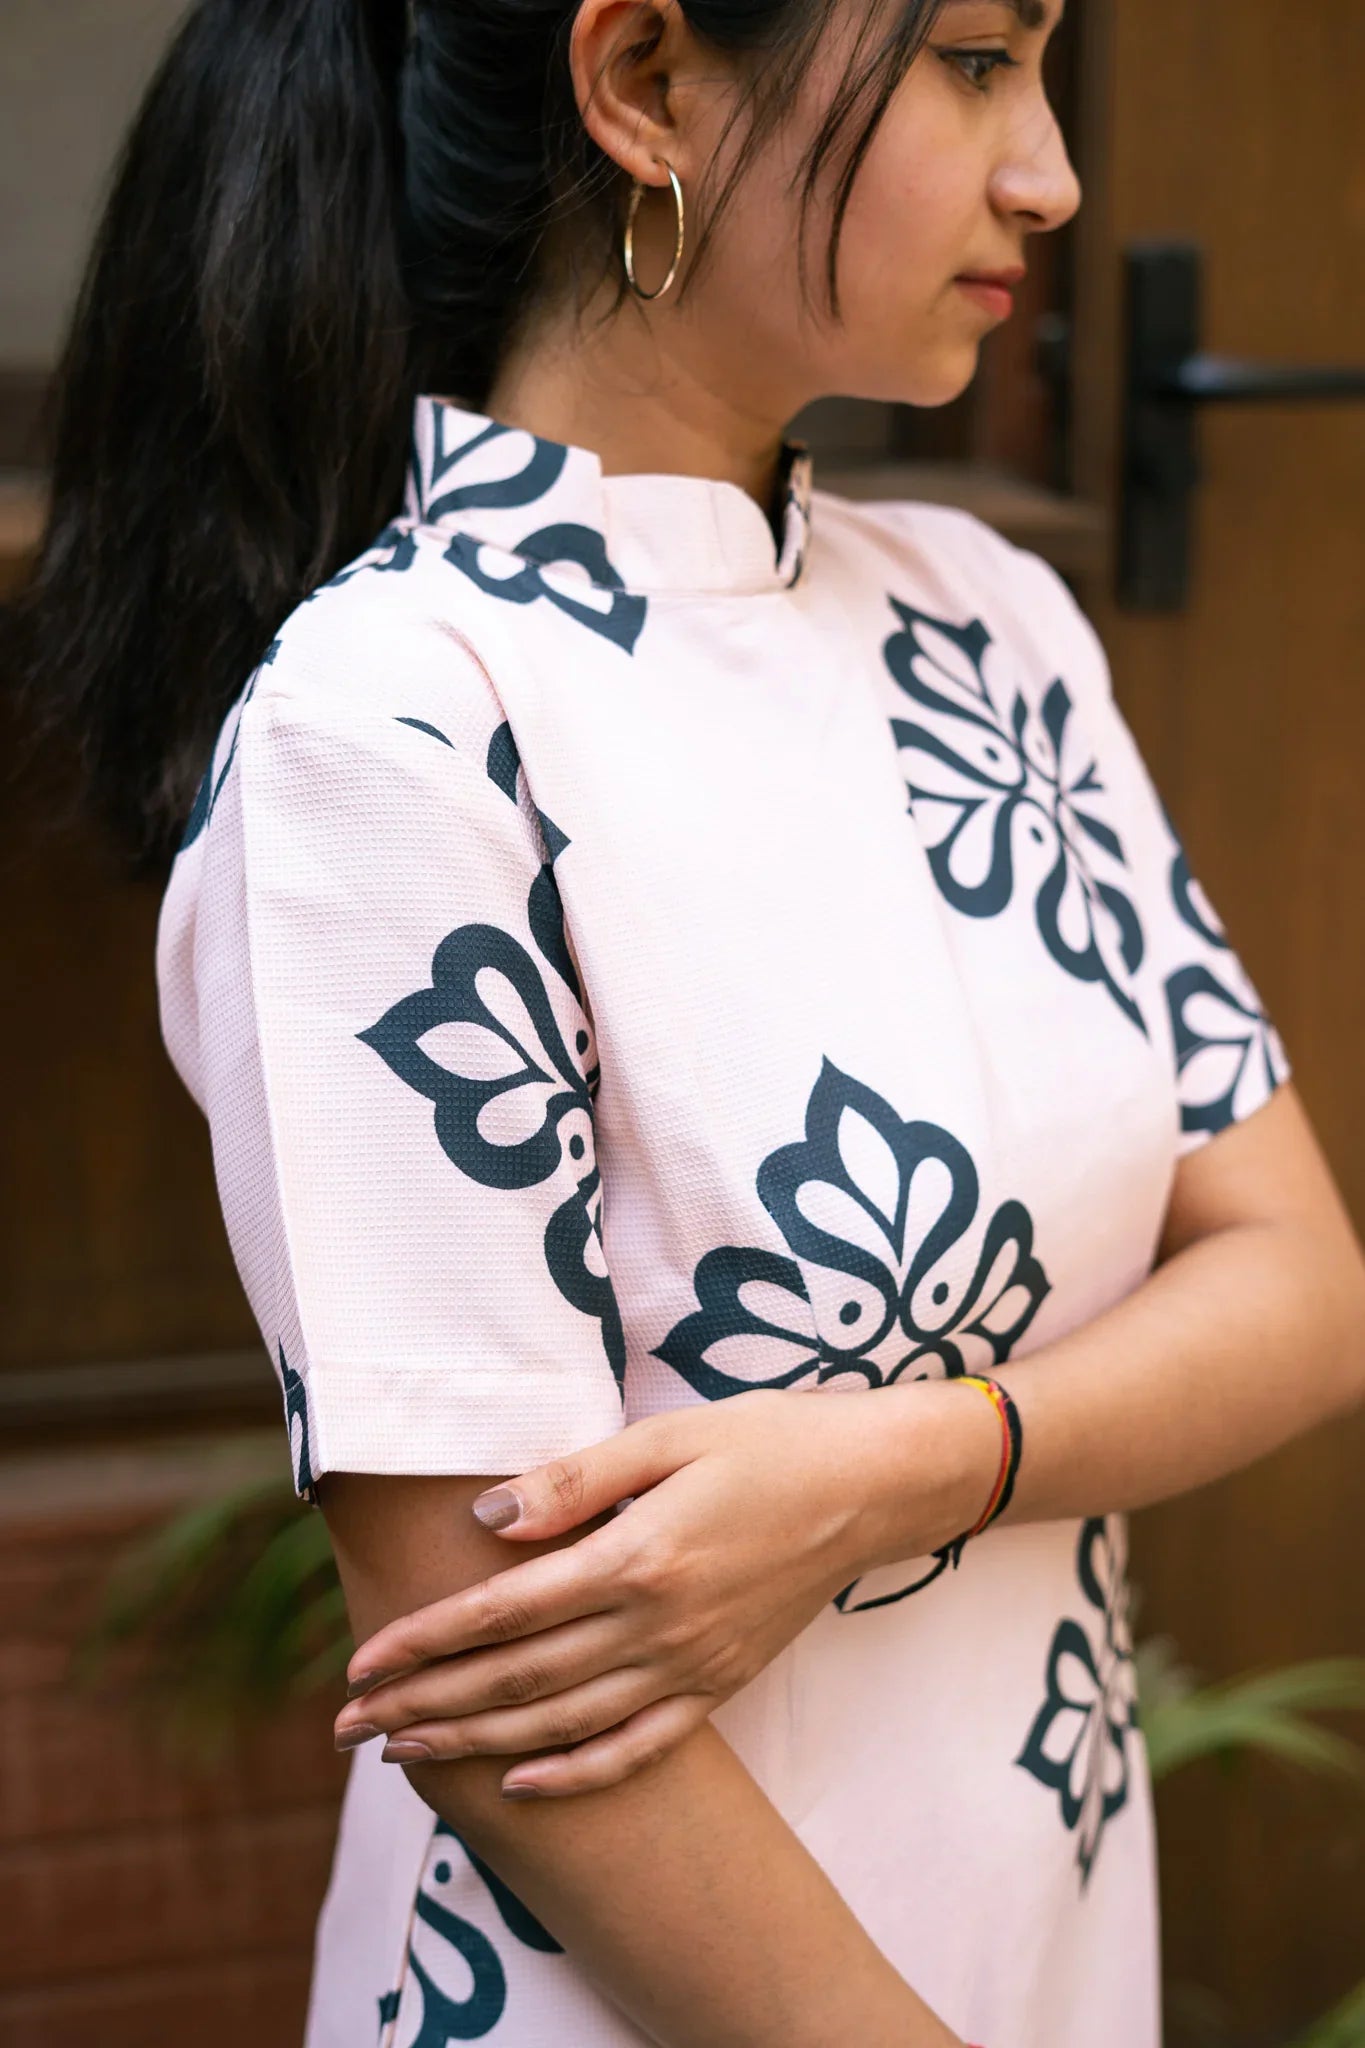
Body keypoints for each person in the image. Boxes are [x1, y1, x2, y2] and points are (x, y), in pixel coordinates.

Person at [12, 0, 1365, 2043]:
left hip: (1037, 1944)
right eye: (973, 62)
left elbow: (1298, 1282)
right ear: (642, 82)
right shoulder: (396, 723)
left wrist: (902, 1463)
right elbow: (494, 1681)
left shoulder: (991, 624)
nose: (1050, 175)